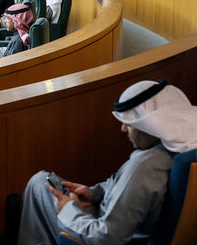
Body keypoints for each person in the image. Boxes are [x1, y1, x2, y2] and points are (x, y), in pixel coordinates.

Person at [18, 80, 197, 245]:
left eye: (129, 122)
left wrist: (68, 209)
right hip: (111, 220)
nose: (123, 128)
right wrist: (95, 193)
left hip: (99, 231)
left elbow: (107, 237)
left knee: (38, 184)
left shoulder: (144, 167)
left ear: (149, 123)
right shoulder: (178, 147)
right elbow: (131, 193)